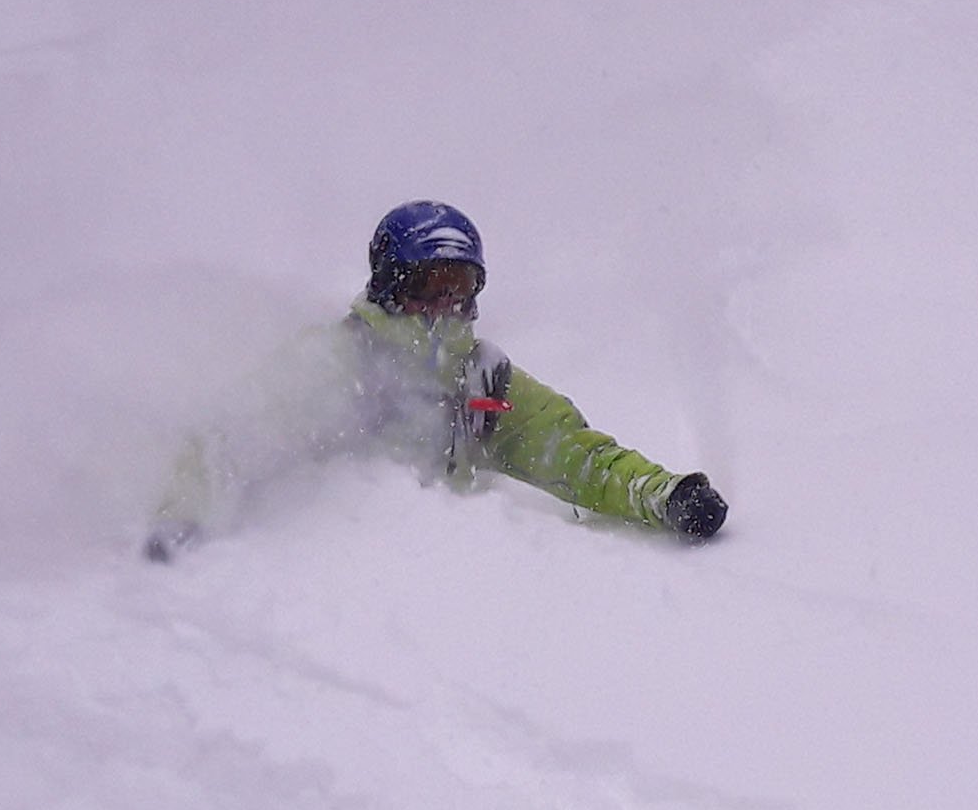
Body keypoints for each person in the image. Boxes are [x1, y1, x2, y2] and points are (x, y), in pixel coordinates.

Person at [143, 202, 727, 560]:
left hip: (441, 601)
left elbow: (574, 454)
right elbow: (229, 437)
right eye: (430, 284)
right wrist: (182, 519)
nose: (445, 303)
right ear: (390, 286)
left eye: (461, 286)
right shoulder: (336, 362)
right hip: (327, 592)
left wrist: (665, 496)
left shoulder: (482, 376)